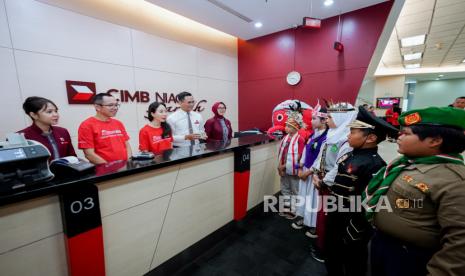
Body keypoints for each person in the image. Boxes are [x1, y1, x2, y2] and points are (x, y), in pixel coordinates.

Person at [364, 106, 465, 276]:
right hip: (383, 245)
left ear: (434, 141)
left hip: (410, 258)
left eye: (407, 133)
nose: (399, 136)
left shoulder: (453, 181)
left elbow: (459, 243)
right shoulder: (406, 163)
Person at [322, 106, 397, 276]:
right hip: (337, 214)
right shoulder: (350, 155)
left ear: (370, 138)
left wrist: (356, 228)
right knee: (332, 254)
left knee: (352, 261)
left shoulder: (375, 165)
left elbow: (370, 202)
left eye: (353, 132)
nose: (348, 135)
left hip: (352, 221)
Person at [310, 102, 358, 262]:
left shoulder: (346, 141)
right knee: (322, 216)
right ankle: (321, 242)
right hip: (322, 181)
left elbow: (339, 167)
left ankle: (325, 250)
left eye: (330, 116)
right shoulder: (332, 134)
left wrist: (323, 182)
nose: (327, 120)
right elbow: (320, 157)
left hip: (332, 187)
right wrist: (316, 174)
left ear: (341, 117)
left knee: (329, 219)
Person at [292, 108, 329, 232]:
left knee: (313, 199)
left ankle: (313, 224)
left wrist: (308, 172)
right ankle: (303, 217)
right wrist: (300, 167)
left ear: (324, 120)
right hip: (306, 171)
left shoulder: (327, 137)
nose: (311, 121)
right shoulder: (314, 133)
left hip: (315, 173)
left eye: (314, 119)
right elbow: (306, 152)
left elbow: (321, 159)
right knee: (303, 196)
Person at [78, 93, 132, 164]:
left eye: (116, 105)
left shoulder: (118, 123)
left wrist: (128, 162)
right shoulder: (86, 125)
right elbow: (89, 154)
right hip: (104, 171)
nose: (115, 108)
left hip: (125, 168)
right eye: (110, 105)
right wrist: (109, 168)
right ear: (97, 107)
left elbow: (127, 145)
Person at [277, 115, 306, 219]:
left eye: (288, 126)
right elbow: (280, 153)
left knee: (294, 189)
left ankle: (293, 209)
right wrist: (280, 166)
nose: (286, 128)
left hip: (293, 169)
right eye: (286, 126)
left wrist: (284, 166)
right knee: (285, 188)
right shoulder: (285, 138)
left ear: (295, 128)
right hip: (283, 167)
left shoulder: (300, 140)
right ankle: (286, 207)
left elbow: (298, 156)